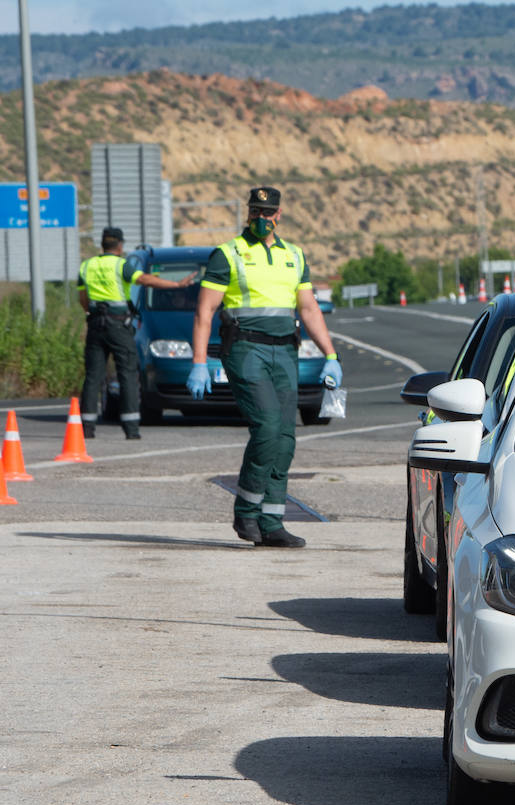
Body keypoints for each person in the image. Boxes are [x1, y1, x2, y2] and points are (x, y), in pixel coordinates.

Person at [187, 186, 343, 548]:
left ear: (279, 214)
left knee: (285, 438)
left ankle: (272, 521)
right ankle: (246, 512)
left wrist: (330, 355)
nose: (262, 218)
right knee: (268, 426)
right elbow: (204, 311)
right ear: (248, 213)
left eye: (267, 212)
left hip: (286, 352)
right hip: (245, 349)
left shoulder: (294, 255)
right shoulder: (228, 255)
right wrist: (199, 361)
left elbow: (308, 309)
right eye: (255, 212)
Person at [78, 227, 194, 439]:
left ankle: (87, 428)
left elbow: (83, 297)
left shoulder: (87, 266)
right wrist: (176, 284)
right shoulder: (122, 266)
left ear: (102, 244)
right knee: (128, 375)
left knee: (93, 376)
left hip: (96, 323)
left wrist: (90, 312)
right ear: (120, 246)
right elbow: (145, 280)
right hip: (118, 324)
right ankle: (131, 428)